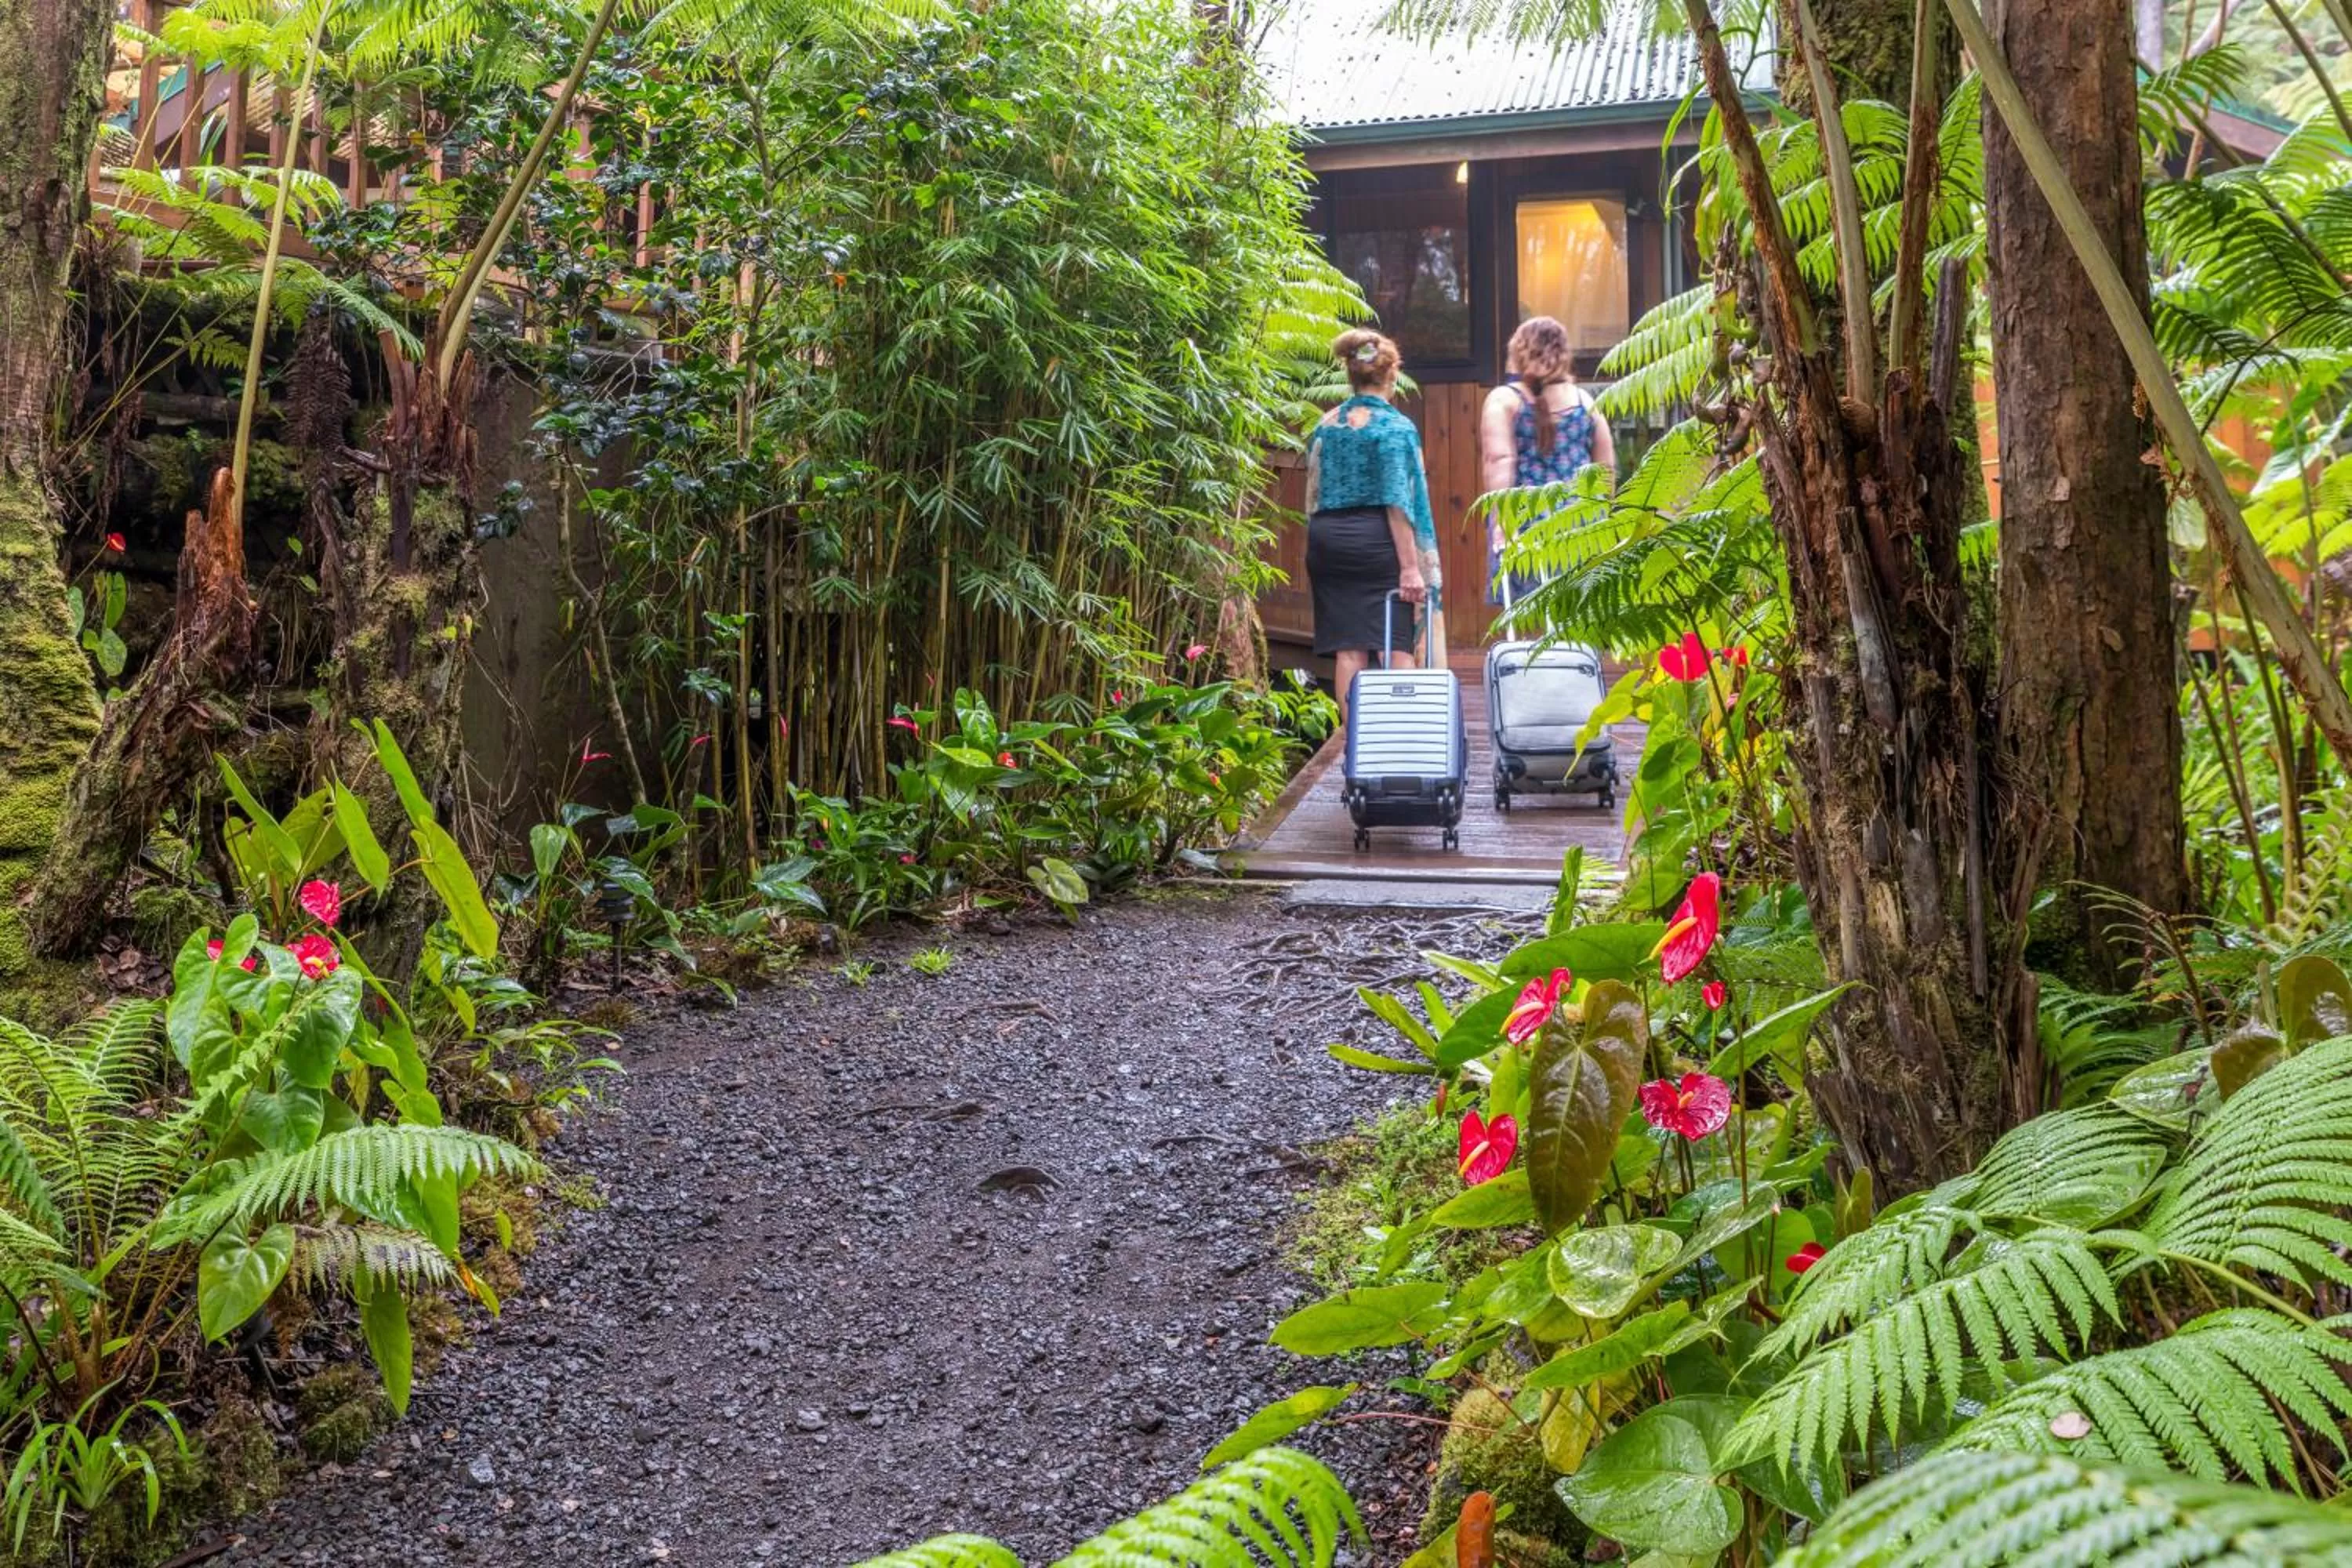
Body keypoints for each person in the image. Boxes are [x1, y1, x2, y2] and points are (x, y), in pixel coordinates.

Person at [1304, 328, 1439, 721]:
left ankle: (1353, 745)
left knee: (1350, 649)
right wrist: (1411, 566)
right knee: (1395, 646)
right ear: (1392, 374)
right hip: (1377, 542)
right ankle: (1399, 740)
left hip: (1328, 540)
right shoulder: (1395, 428)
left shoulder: (1326, 425)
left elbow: (1312, 493)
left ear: (1351, 374)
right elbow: (1396, 500)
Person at [1480, 315, 1616, 607]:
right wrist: (1603, 523)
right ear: (1564, 354)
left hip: (1530, 529)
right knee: (1579, 623)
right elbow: (1606, 470)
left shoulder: (1504, 400)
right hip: (1582, 527)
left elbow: (1499, 460)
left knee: (1529, 623)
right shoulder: (1585, 402)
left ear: (1518, 352)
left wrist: (1502, 526)